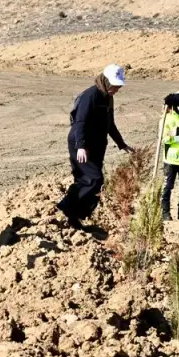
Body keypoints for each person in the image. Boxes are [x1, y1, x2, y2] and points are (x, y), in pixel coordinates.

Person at [58, 65, 130, 236]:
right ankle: (66, 209)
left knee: (86, 180)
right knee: (94, 179)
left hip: (97, 145)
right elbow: (80, 122)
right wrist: (81, 146)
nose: (116, 90)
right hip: (82, 145)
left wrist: (121, 144)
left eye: (118, 87)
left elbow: (110, 124)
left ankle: (74, 216)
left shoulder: (107, 97)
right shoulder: (91, 96)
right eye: (114, 86)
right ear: (105, 81)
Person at [160, 93, 179, 222]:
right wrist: (178, 138)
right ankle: (165, 212)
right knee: (168, 186)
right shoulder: (167, 119)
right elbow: (164, 139)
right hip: (171, 159)